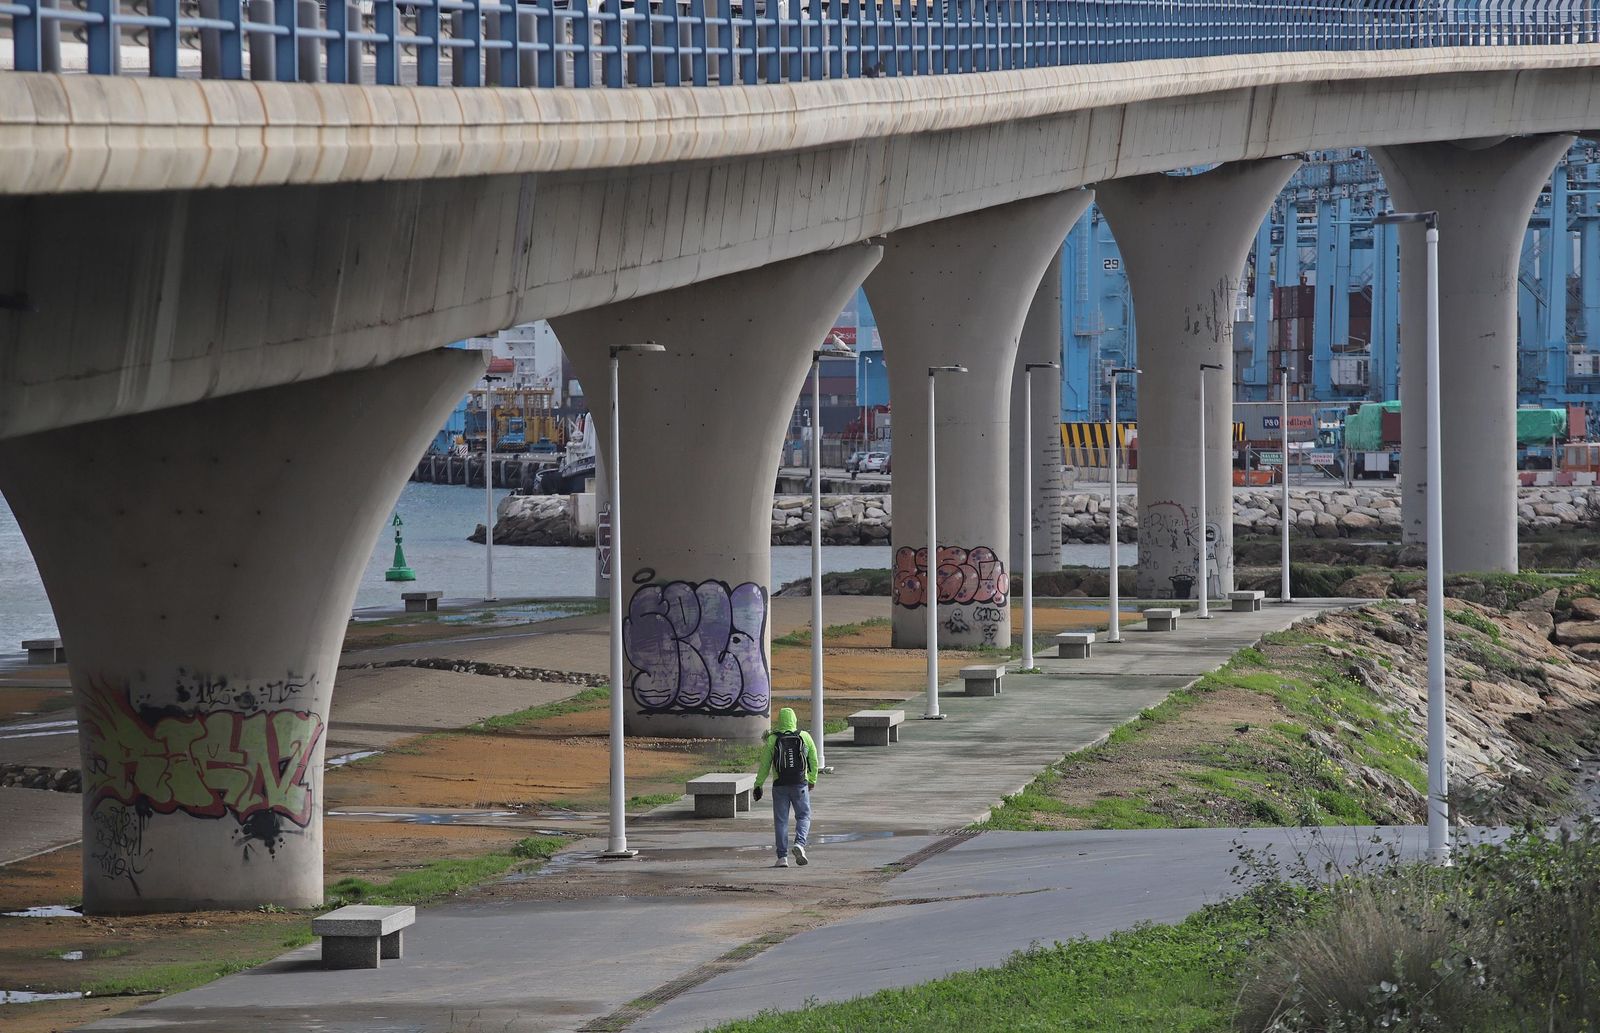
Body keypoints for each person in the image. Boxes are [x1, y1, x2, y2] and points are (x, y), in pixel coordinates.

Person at [752, 707, 818, 868]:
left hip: (779, 785)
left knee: (781, 821)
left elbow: (765, 765)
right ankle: (800, 844)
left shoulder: (772, 740)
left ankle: (782, 857)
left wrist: (758, 785)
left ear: (779, 720)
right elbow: (814, 761)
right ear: (794, 720)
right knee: (803, 816)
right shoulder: (804, 736)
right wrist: (812, 780)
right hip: (800, 784)